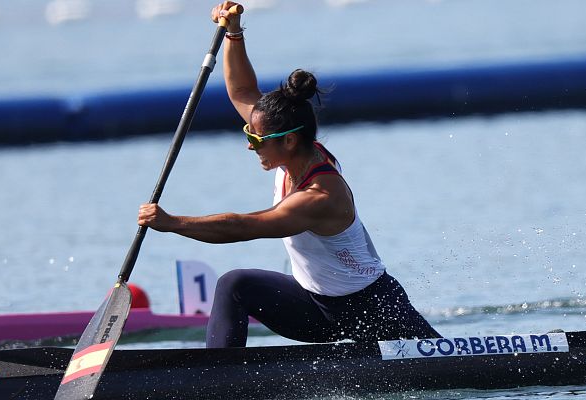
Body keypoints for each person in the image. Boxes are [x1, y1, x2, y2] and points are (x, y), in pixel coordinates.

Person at [137, 1, 440, 348]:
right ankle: (220, 377)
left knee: (453, 365)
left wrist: (174, 223)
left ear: (290, 140)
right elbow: (240, 92)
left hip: (373, 309)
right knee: (234, 285)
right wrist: (234, 32)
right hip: (315, 306)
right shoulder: (291, 147)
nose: (250, 145)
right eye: (248, 134)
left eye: (256, 138)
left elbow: (243, 226)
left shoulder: (321, 197)